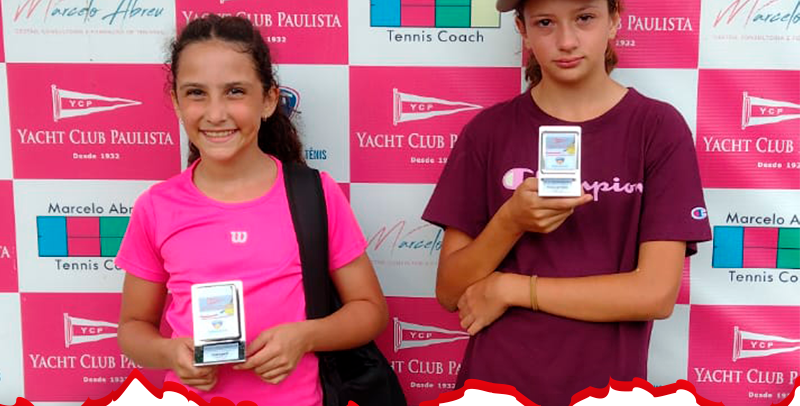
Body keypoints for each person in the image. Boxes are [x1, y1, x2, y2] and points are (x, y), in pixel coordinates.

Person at [421, 0, 711, 404]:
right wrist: (510, 221)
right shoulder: (487, 131)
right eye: (545, 22)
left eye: (585, 18)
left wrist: (512, 288)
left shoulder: (658, 128)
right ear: (522, 30)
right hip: (495, 384)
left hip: (606, 390)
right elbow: (450, 292)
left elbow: (655, 294)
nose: (567, 40)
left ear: (614, 20)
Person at [115, 15, 388, 406]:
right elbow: (133, 327)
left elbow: (370, 311)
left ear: (269, 100)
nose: (215, 114)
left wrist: (305, 337)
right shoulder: (156, 207)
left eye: (235, 92)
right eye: (196, 93)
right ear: (176, 101)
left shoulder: (315, 194)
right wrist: (169, 352)